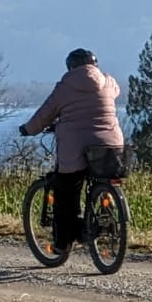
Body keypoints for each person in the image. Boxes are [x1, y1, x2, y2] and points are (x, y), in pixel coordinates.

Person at [19, 47, 125, 252]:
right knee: (103, 177)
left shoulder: (65, 87)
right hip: (110, 144)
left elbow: (45, 113)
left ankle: (63, 243)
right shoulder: (108, 81)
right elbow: (116, 91)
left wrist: (28, 129)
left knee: (66, 190)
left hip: (76, 145)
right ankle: (108, 215)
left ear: (70, 67)